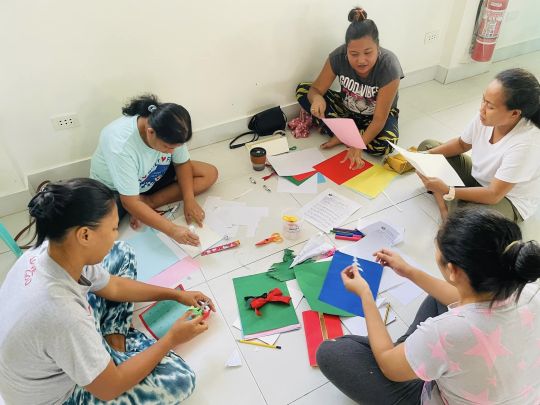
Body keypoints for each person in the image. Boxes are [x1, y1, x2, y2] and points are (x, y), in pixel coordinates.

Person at [0, 178, 215, 404]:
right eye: (113, 228)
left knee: (121, 253)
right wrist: (171, 338)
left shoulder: (51, 250)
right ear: (84, 235)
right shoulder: (63, 314)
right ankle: (109, 360)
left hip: (48, 351)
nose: (115, 234)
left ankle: (112, 347)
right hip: (60, 396)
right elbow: (109, 389)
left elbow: (113, 286)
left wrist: (176, 294)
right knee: (180, 379)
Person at [317, 208, 540, 404]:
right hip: (515, 391)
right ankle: (414, 355)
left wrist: (365, 295)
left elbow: (388, 366)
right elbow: (465, 300)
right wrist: (409, 272)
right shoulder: (531, 291)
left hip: (443, 388)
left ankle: (412, 356)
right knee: (440, 299)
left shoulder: (447, 331)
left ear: (453, 271)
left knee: (332, 352)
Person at [90, 94, 219, 247]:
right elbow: (129, 202)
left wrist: (189, 199)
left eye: (176, 147)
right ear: (150, 132)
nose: (171, 152)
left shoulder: (173, 128)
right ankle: (142, 205)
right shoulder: (120, 145)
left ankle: (148, 201)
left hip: (152, 173)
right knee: (98, 235)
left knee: (209, 173)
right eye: (167, 147)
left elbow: (182, 163)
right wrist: (172, 230)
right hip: (116, 190)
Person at [416, 68, 540, 222]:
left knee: (474, 221)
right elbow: (461, 144)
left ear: (515, 113)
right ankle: (450, 209)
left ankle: (450, 207)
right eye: (483, 100)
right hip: (479, 179)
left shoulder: (527, 144)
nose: (482, 109)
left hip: (506, 199)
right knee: (428, 147)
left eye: (490, 106)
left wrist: (448, 190)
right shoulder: (486, 116)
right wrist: (425, 157)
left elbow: (494, 195)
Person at [296, 7, 404, 169]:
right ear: (346, 50)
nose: (361, 60)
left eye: (368, 53)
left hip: (375, 117)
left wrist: (358, 145)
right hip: (346, 110)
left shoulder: (389, 66)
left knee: (385, 145)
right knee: (302, 90)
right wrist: (317, 99)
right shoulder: (337, 57)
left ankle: (345, 135)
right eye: (354, 54)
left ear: (378, 47)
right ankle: (348, 133)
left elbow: (380, 119)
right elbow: (314, 90)